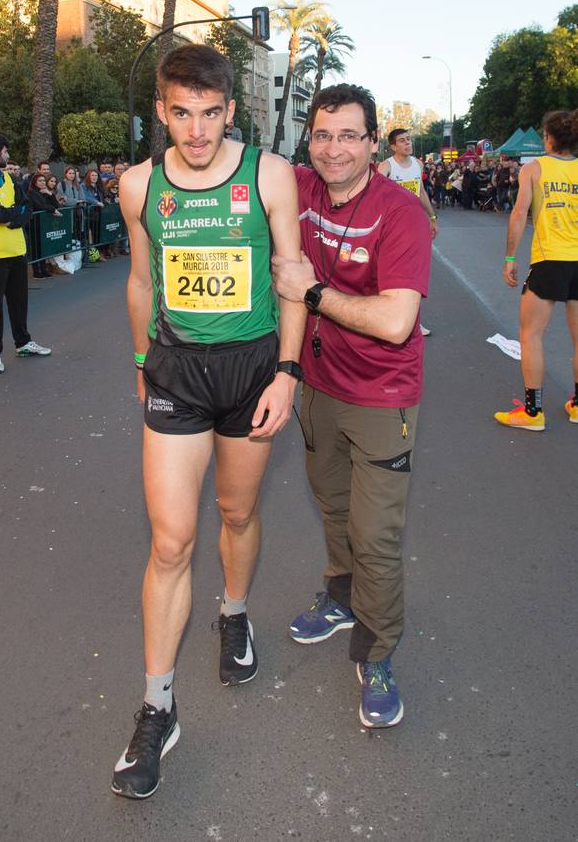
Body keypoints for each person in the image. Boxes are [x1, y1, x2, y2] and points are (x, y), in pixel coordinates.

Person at [111, 43, 305, 800]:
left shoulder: (269, 175)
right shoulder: (138, 185)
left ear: (232, 111)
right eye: (181, 115)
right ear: (161, 110)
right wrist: (138, 359)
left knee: (236, 509)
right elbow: (138, 277)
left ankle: (233, 613)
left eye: (211, 115)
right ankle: (157, 706)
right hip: (176, 371)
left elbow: (292, 280)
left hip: (253, 368)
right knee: (170, 540)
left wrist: (288, 373)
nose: (196, 133)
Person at [272, 83, 431, 730]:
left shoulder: (401, 212)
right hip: (319, 387)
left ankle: (378, 650)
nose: (334, 149)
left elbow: (396, 322)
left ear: (373, 144)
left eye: (349, 136)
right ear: (308, 140)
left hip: (382, 394)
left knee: (375, 534)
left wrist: (312, 294)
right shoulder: (301, 191)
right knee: (334, 509)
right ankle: (340, 598)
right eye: (322, 134)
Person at [494, 110, 578, 430]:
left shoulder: (535, 168)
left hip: (550, 259)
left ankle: (533, 413)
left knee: (530, 335)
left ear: (549, 137)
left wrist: (510, 258)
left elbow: (518, 215)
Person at [0, 133, 51, 373]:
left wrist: (14, 216)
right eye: (5, 152)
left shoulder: (8, 179)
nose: (8, 156)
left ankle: (23, 343)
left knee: (19, 301)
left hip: (16, 249)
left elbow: (27, 206)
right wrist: (12, 213)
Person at [378, 128, 436, 336]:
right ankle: (386, 318)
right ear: (393, 146)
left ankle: (413, 322)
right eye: (402, 141)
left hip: (414, 226)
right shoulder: (386, 167)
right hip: (392, 228)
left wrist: (432, 217)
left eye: (408, 139)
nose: (407, 143)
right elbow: (374, 194)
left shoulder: (418, 165)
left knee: (413, 276)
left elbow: (420, 192)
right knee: (391, 275)